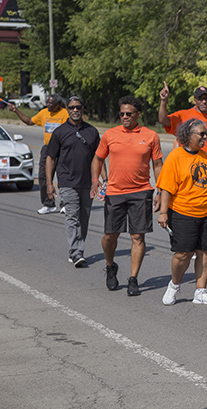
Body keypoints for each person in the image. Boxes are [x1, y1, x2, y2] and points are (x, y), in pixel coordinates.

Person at [91, 96, 163, 296]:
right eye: (122, 113)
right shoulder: (110, 134)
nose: (124, 117)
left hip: (141, 192)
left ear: (138, 115)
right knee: (109, 236)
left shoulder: (150, 136)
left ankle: (133, 279)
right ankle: (110, 265)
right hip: (114, 192)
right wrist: (95, 180)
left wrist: (161, 190)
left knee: (137, 236)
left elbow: (157, 165)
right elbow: (97, 159)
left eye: (129, 114)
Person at [157, 119, 207, 305]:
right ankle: (174, 286)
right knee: (183, 253)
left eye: (206, 133)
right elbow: (166, 188)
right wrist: (163, 213)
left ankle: (201, 291)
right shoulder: (175, 157)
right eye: (201, 134)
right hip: (183, 212)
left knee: (205, 251)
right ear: (188, 136)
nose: (206, 137)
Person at [46, 96, 101, 267]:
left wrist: (100, 179)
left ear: (83, 109)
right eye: (71, 108)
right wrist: (49, 183)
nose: (75, 110)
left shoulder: (91, 131)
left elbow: (98, 157)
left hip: (87, 182)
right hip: (67, 182)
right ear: (67, 110)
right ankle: (77, 252)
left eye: (78, 107)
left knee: (84, 218)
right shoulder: (59, 132)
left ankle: (76, 249)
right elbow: (50, 158)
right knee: (72, 217)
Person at [7, 94, 69, 214]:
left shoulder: (65, 113)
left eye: (51, 103)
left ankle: (65, 204)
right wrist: (16, 111)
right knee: (43, 176)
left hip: (62, 149)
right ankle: (48, 204)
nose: (48, 105)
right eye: (47, 102)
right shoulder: (44, 113)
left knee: (63, 176)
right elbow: (30, 121)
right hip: (48, 148)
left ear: (58, 104)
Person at [158, 82, 207, 163]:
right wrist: (164, 101)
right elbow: (163, 120)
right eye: (200, 99)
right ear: (195, 101)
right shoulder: (184, 115)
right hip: (189, 169)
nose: (204, 101)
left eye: (206, 98)